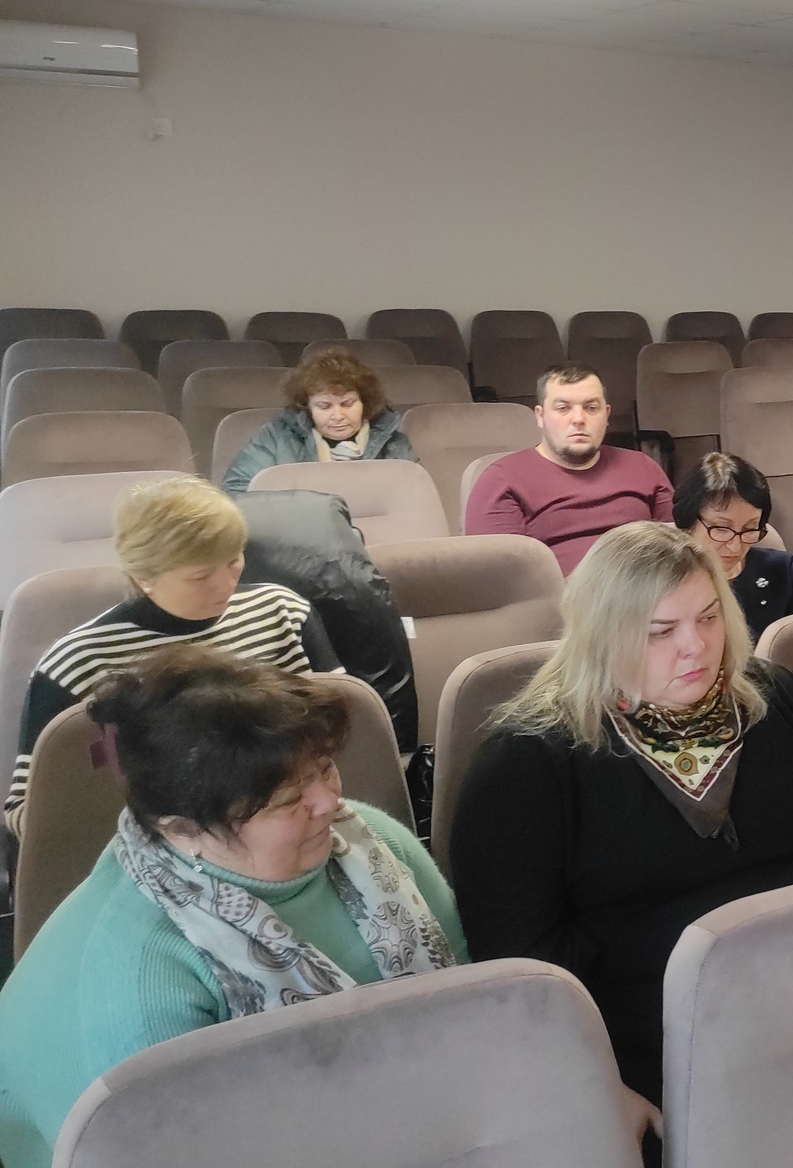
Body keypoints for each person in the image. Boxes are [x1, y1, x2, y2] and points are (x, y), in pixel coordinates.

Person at [0, 647, 466, 1168]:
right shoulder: (142, 981)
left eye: (324, 768)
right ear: (182, 826)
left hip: (384, 1164)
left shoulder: (372, 844)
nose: (329, 802)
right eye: (288, 800)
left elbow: (472, 1002)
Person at [450, 521, 793, 1115]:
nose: (696, 646)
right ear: (603, 635)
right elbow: (523, 966)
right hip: (658, 1046)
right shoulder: (527, 763)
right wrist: (596, 1086)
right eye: (660, 631)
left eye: (709, 617)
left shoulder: (775, 698)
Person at [5, 476, 339, 837]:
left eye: (233, 561)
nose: (226, 584)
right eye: (201, 576)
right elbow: (27, 811)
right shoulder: (80, 661)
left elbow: (345, 738)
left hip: (298, 821)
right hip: (156, 844)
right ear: (143, 576)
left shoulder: (283, 613)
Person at [464, 363, 673, 573]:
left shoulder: (642, 466)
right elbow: (500, 576)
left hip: (649, 586)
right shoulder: (501, 479)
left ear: (607, 414)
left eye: (591, 408)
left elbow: (678, 544)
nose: (579, 419)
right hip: (561, 592)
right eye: (563, 408)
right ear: (540, 416)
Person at [673, 451, 793, 639]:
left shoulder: (784, 570)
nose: (736, 547)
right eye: (722, 529)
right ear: (688, 521)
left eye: (750, 528)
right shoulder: (665, 580)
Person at [220, 349, 418, 493]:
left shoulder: (394, 444)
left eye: (347, 404)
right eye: (324, 406)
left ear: (365, 404)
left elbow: (416, 499)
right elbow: (236, 492)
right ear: (307, 408)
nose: (338, 416)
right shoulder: (274, 437)